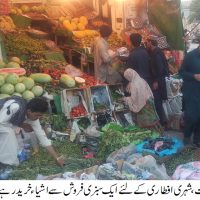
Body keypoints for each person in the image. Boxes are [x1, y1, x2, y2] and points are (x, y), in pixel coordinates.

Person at [0, 96, 65, 167]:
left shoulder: (34, 119)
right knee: (9, 134)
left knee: (12, 138)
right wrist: (22, 125)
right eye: (37, 115)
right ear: (29, 111)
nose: (38, 118)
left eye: (40, 116)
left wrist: (57, 158)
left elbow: (43, 138)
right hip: (1, 121)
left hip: (4, 124)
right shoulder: (15, 107)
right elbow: (1, 122)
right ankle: (7, 164)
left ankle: (8, 161)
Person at [122, 68, 163, 133]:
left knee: (146, 122)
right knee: (152, 118)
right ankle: (158, 132)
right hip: (149, 101)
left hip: (143, 105)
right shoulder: (141, 79)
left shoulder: (134, 84)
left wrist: (126, 99)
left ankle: (151, 135)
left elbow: (134, 99)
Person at [179, 43, 200, 147]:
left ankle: (197, 139)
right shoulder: (190, 56)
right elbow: (181, 72)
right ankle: (187, 137)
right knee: (191, 116)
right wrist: (194, 76)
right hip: (191, 92)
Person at [146, 37, 169, 127]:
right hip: (158, 80)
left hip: (158, 81)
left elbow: (160, 68)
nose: (146, 45)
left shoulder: (157, 53)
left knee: (157, 102)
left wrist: (156, 81)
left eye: (147, 43)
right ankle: (161, 122)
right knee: (157, 102)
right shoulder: (155, 52)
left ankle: (163, 123)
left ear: (151, 43)